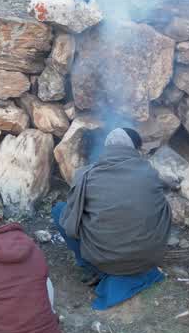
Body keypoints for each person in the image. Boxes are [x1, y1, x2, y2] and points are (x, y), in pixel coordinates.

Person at [53, 128, 173, 310]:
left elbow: (71, 226)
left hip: (107, 263)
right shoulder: (149, 172)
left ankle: (90, 267)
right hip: (149, 259)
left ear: (107, 148)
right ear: (134, 149)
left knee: (60, 211)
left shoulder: (86, 174)